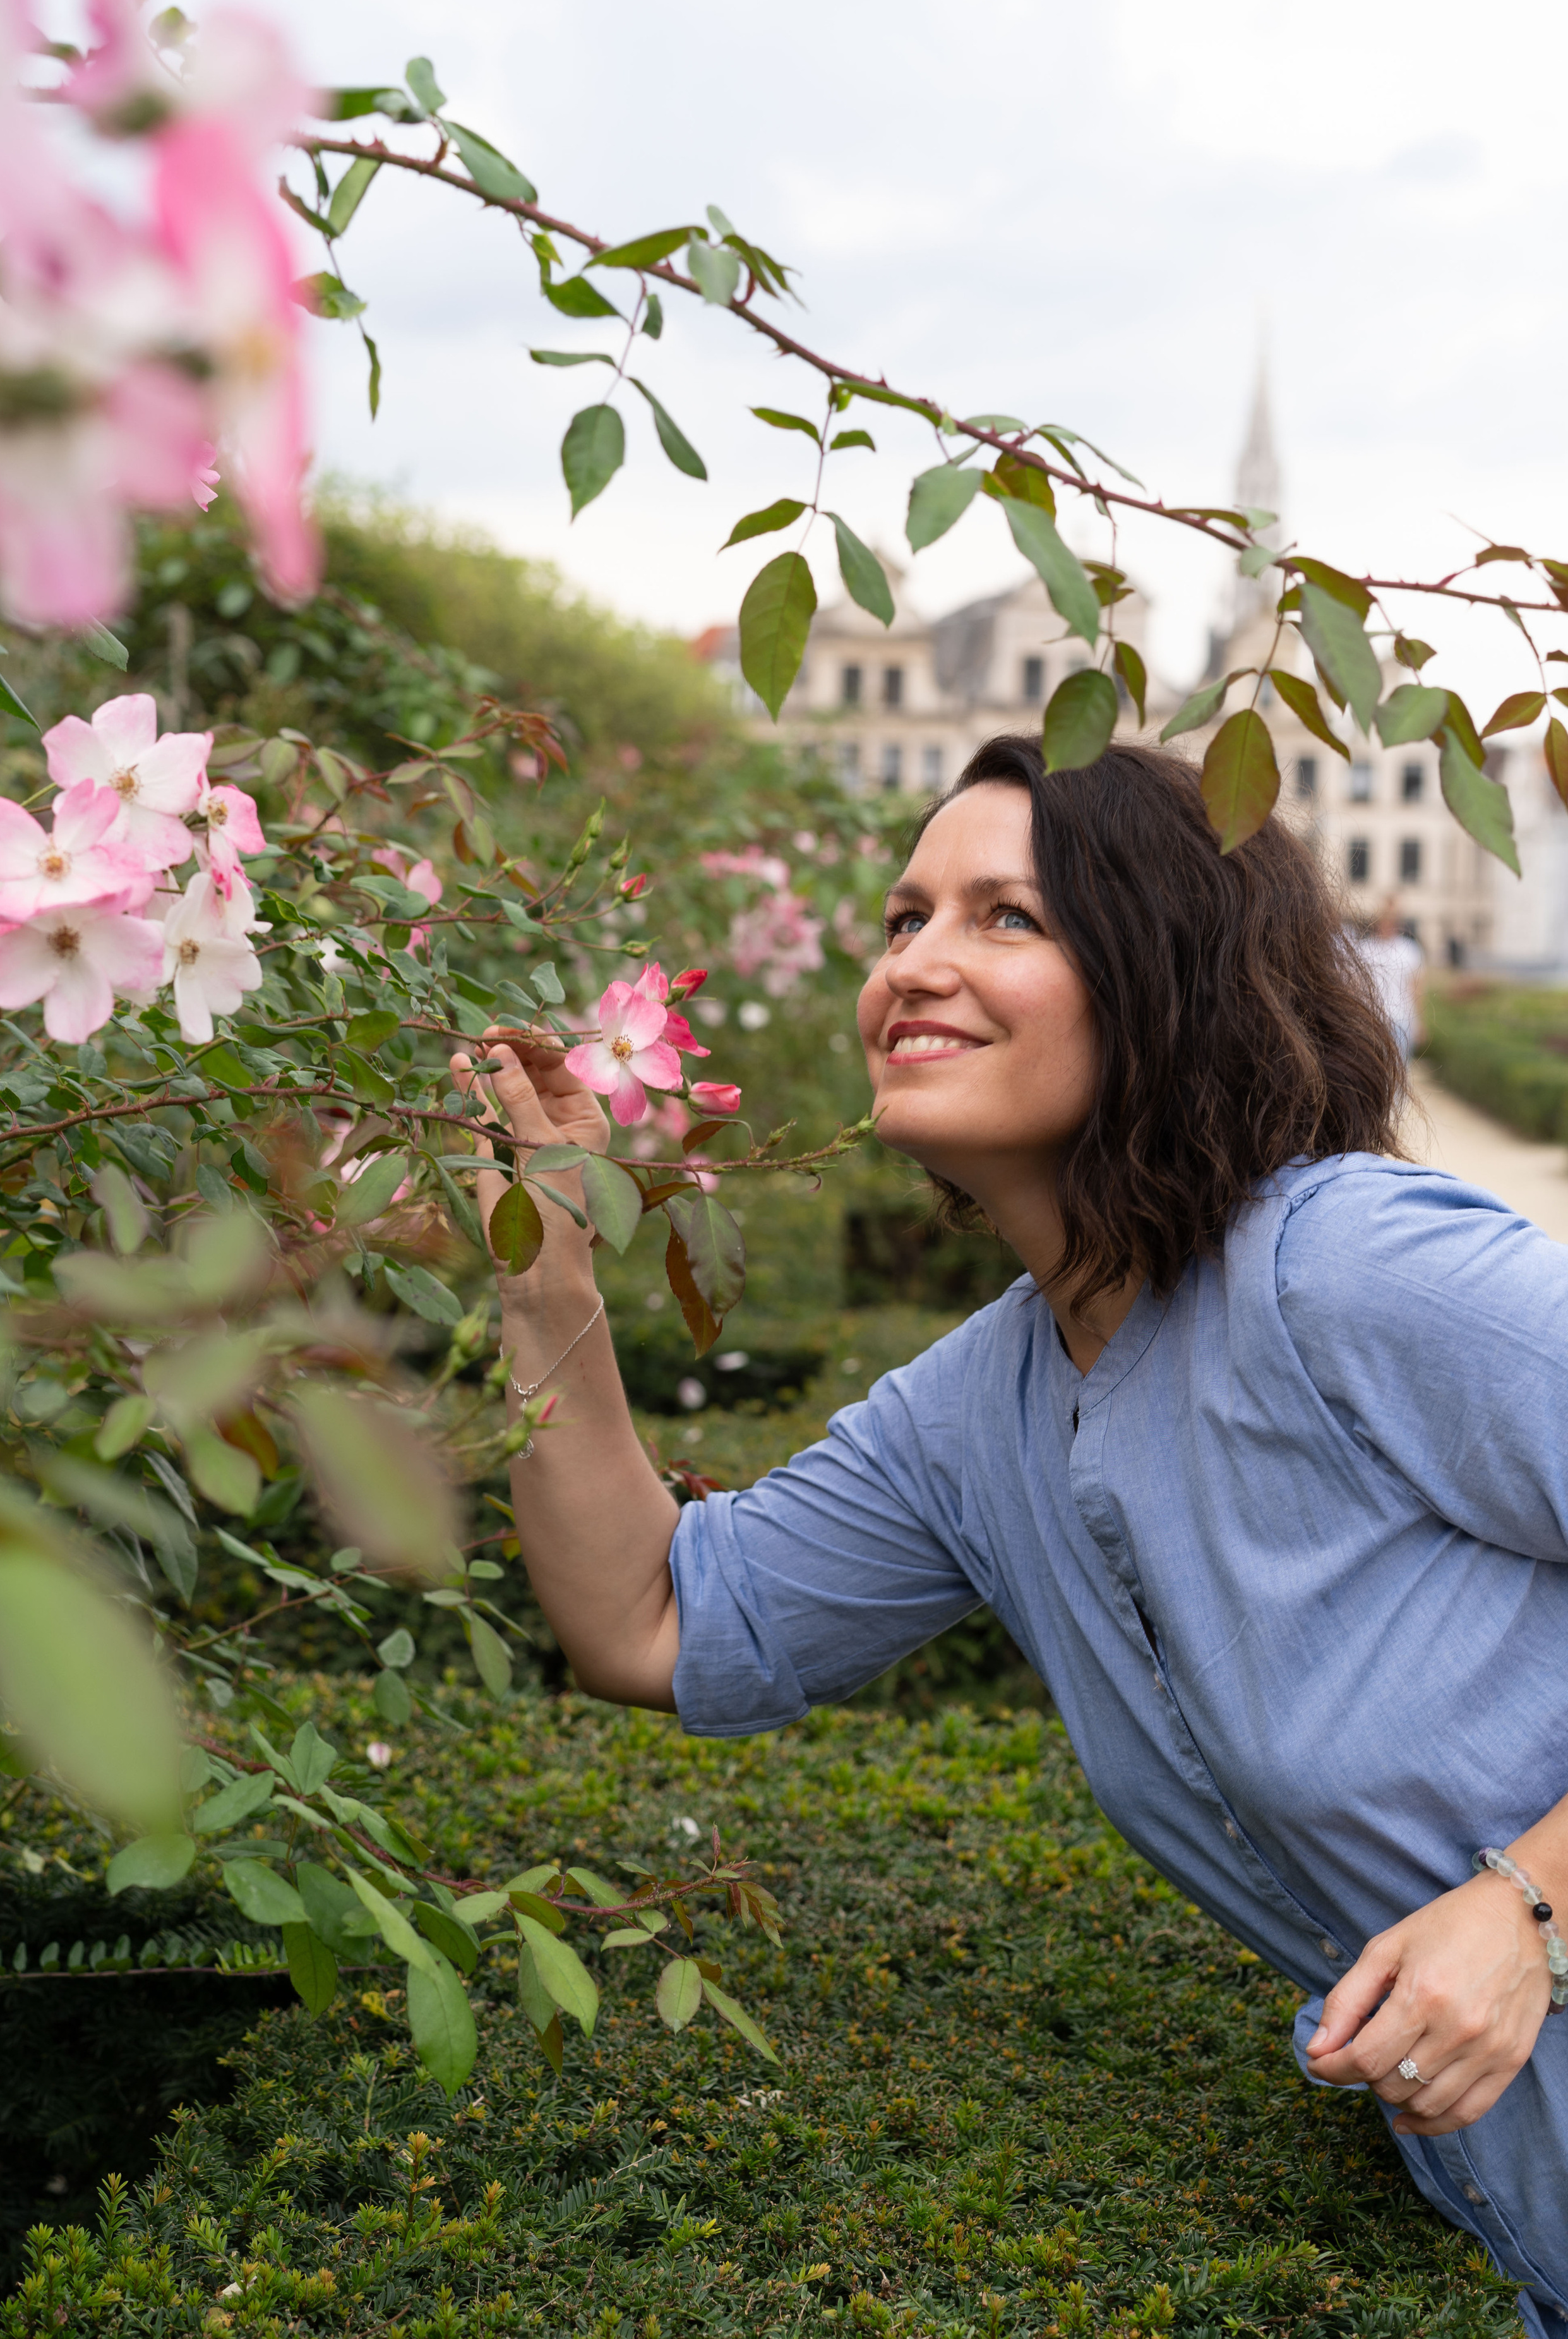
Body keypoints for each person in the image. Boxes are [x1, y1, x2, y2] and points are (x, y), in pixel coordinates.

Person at [450, 736, 1568, 2335]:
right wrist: (541, 1262)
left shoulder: (1347, 1269)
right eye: (902, 917)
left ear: (1164, 972)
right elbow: (653, 1622)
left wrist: (1524, 1900)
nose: (914, 963)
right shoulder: (978, 1408)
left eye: (1005, 919)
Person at [1358, 894, 1425, 1061]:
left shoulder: (1410, 950)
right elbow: (1357, 987)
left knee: (1399, 1073)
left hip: (1401, 1021)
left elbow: (1416, 989)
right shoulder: (1364, 949)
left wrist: (1418, 1022)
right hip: (1372, 1021)